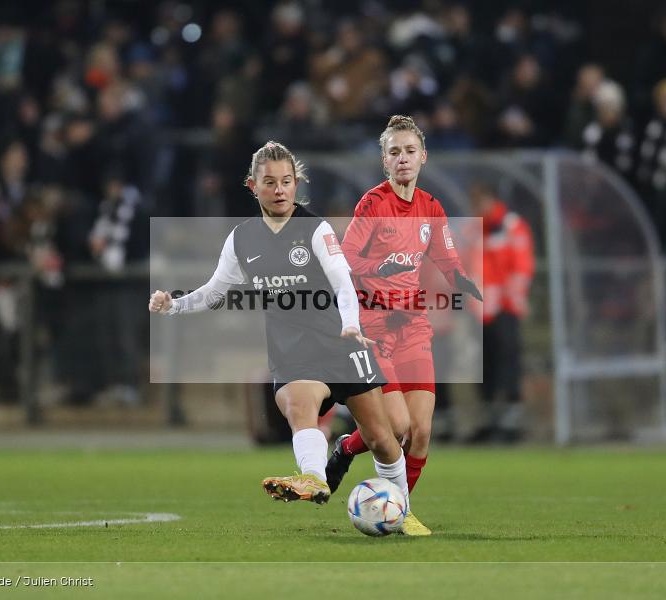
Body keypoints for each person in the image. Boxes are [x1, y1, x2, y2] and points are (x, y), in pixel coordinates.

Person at [149, 141, 413, 517]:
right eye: (269, 182)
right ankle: (314, 478)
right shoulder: (242, 239)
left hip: (341, 343)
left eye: (286, 181)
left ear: (296, 183)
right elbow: (213, 292)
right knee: (296, 404)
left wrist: (352, 324)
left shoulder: (316, 229)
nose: (279, 190)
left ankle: (402, 509)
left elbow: (343, 283)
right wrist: (174, 305)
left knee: (384, 439)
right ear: (252, 186)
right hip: (294, 352)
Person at [326, 115, 482, 536]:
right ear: (384, 160)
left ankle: (394, 503)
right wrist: (383, 264)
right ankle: (368, 474)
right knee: (396, 428)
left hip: (412, 324)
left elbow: (446, 258)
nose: (402, 159)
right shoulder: (372, 205)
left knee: (422, 432)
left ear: (423, 157)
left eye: (410, 151)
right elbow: (345, 258)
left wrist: (462, 281)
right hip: (373, 326)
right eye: (394, 152)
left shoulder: (431, 208)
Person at [466, 182, 535, 443]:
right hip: (480, 310)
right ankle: (489, 422)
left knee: (508, 363)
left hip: (504, 309)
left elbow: (521, 266)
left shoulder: (511, 225)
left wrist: (511, 299)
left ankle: (510, 424)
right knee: (484, 367)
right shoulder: (475, 230)